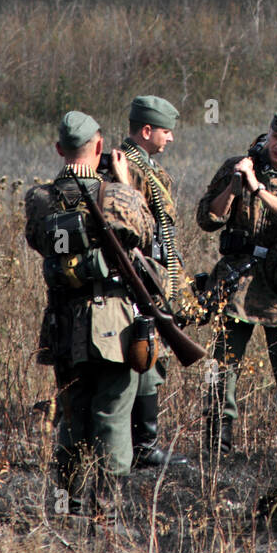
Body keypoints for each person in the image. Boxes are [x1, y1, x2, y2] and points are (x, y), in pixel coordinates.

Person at [24, 111, 154, 515]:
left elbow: (38, 241)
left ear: (59, 150)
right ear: (99, 148)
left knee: (72, 417)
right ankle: (107, 510)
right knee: (113, 415)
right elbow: (149, 233)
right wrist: (125, 182)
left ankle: (66, 505)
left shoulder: (40, 199)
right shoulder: (119, 196)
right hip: (114, 325)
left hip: (64, 325)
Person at [196, 108, 277, 462]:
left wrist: (258, 188)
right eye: (274, 137)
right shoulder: (236, 165)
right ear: (267, 134)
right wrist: (235, 187)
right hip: (236, 285)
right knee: (222, 369)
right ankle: (217, 449)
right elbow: (207, 217)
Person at [117, 94, 187, 468]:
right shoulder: (125, 166)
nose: (170, 138)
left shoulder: (143, 166)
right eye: (165, 131)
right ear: (146, 131)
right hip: (138, 276)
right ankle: (140, 446)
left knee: (149, 351)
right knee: (143, 352)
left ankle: (141, 443)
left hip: (153, 273)